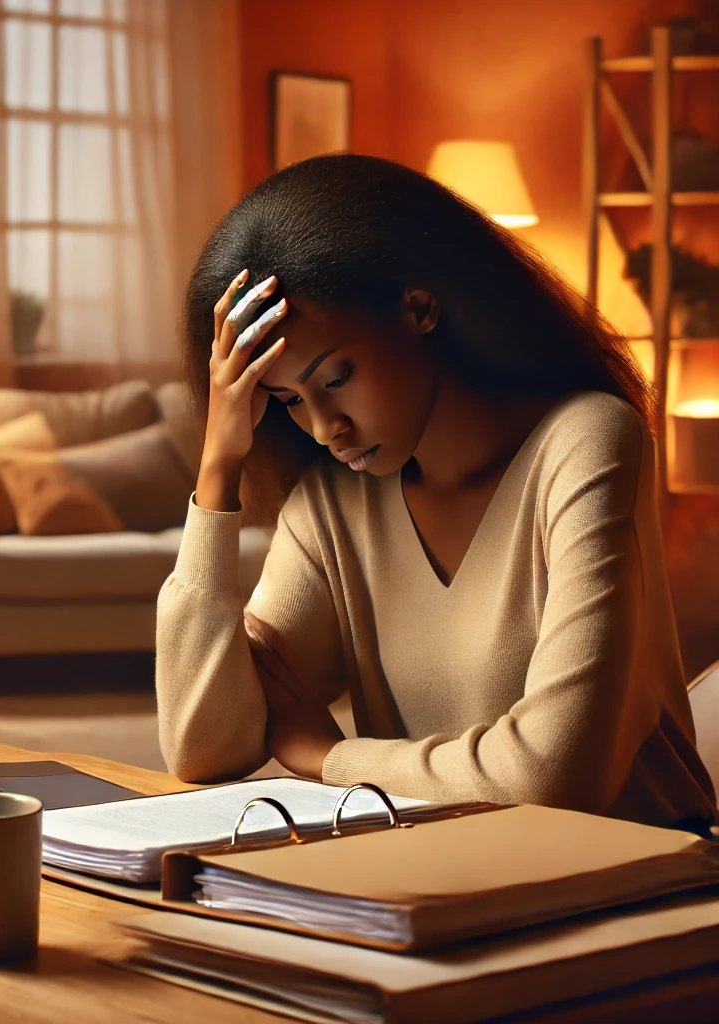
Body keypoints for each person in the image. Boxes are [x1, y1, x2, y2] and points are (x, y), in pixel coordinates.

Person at [155, 154, 717, 832]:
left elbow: (555, 775)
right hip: (447, 887)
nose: (325, 427)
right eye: (286, 400)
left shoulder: (586, 441)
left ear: (418, 308)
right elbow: (203, 746)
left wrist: (331, 757)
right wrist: (218, 467)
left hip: (644, 885)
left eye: (334, 378)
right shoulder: (335, 504)